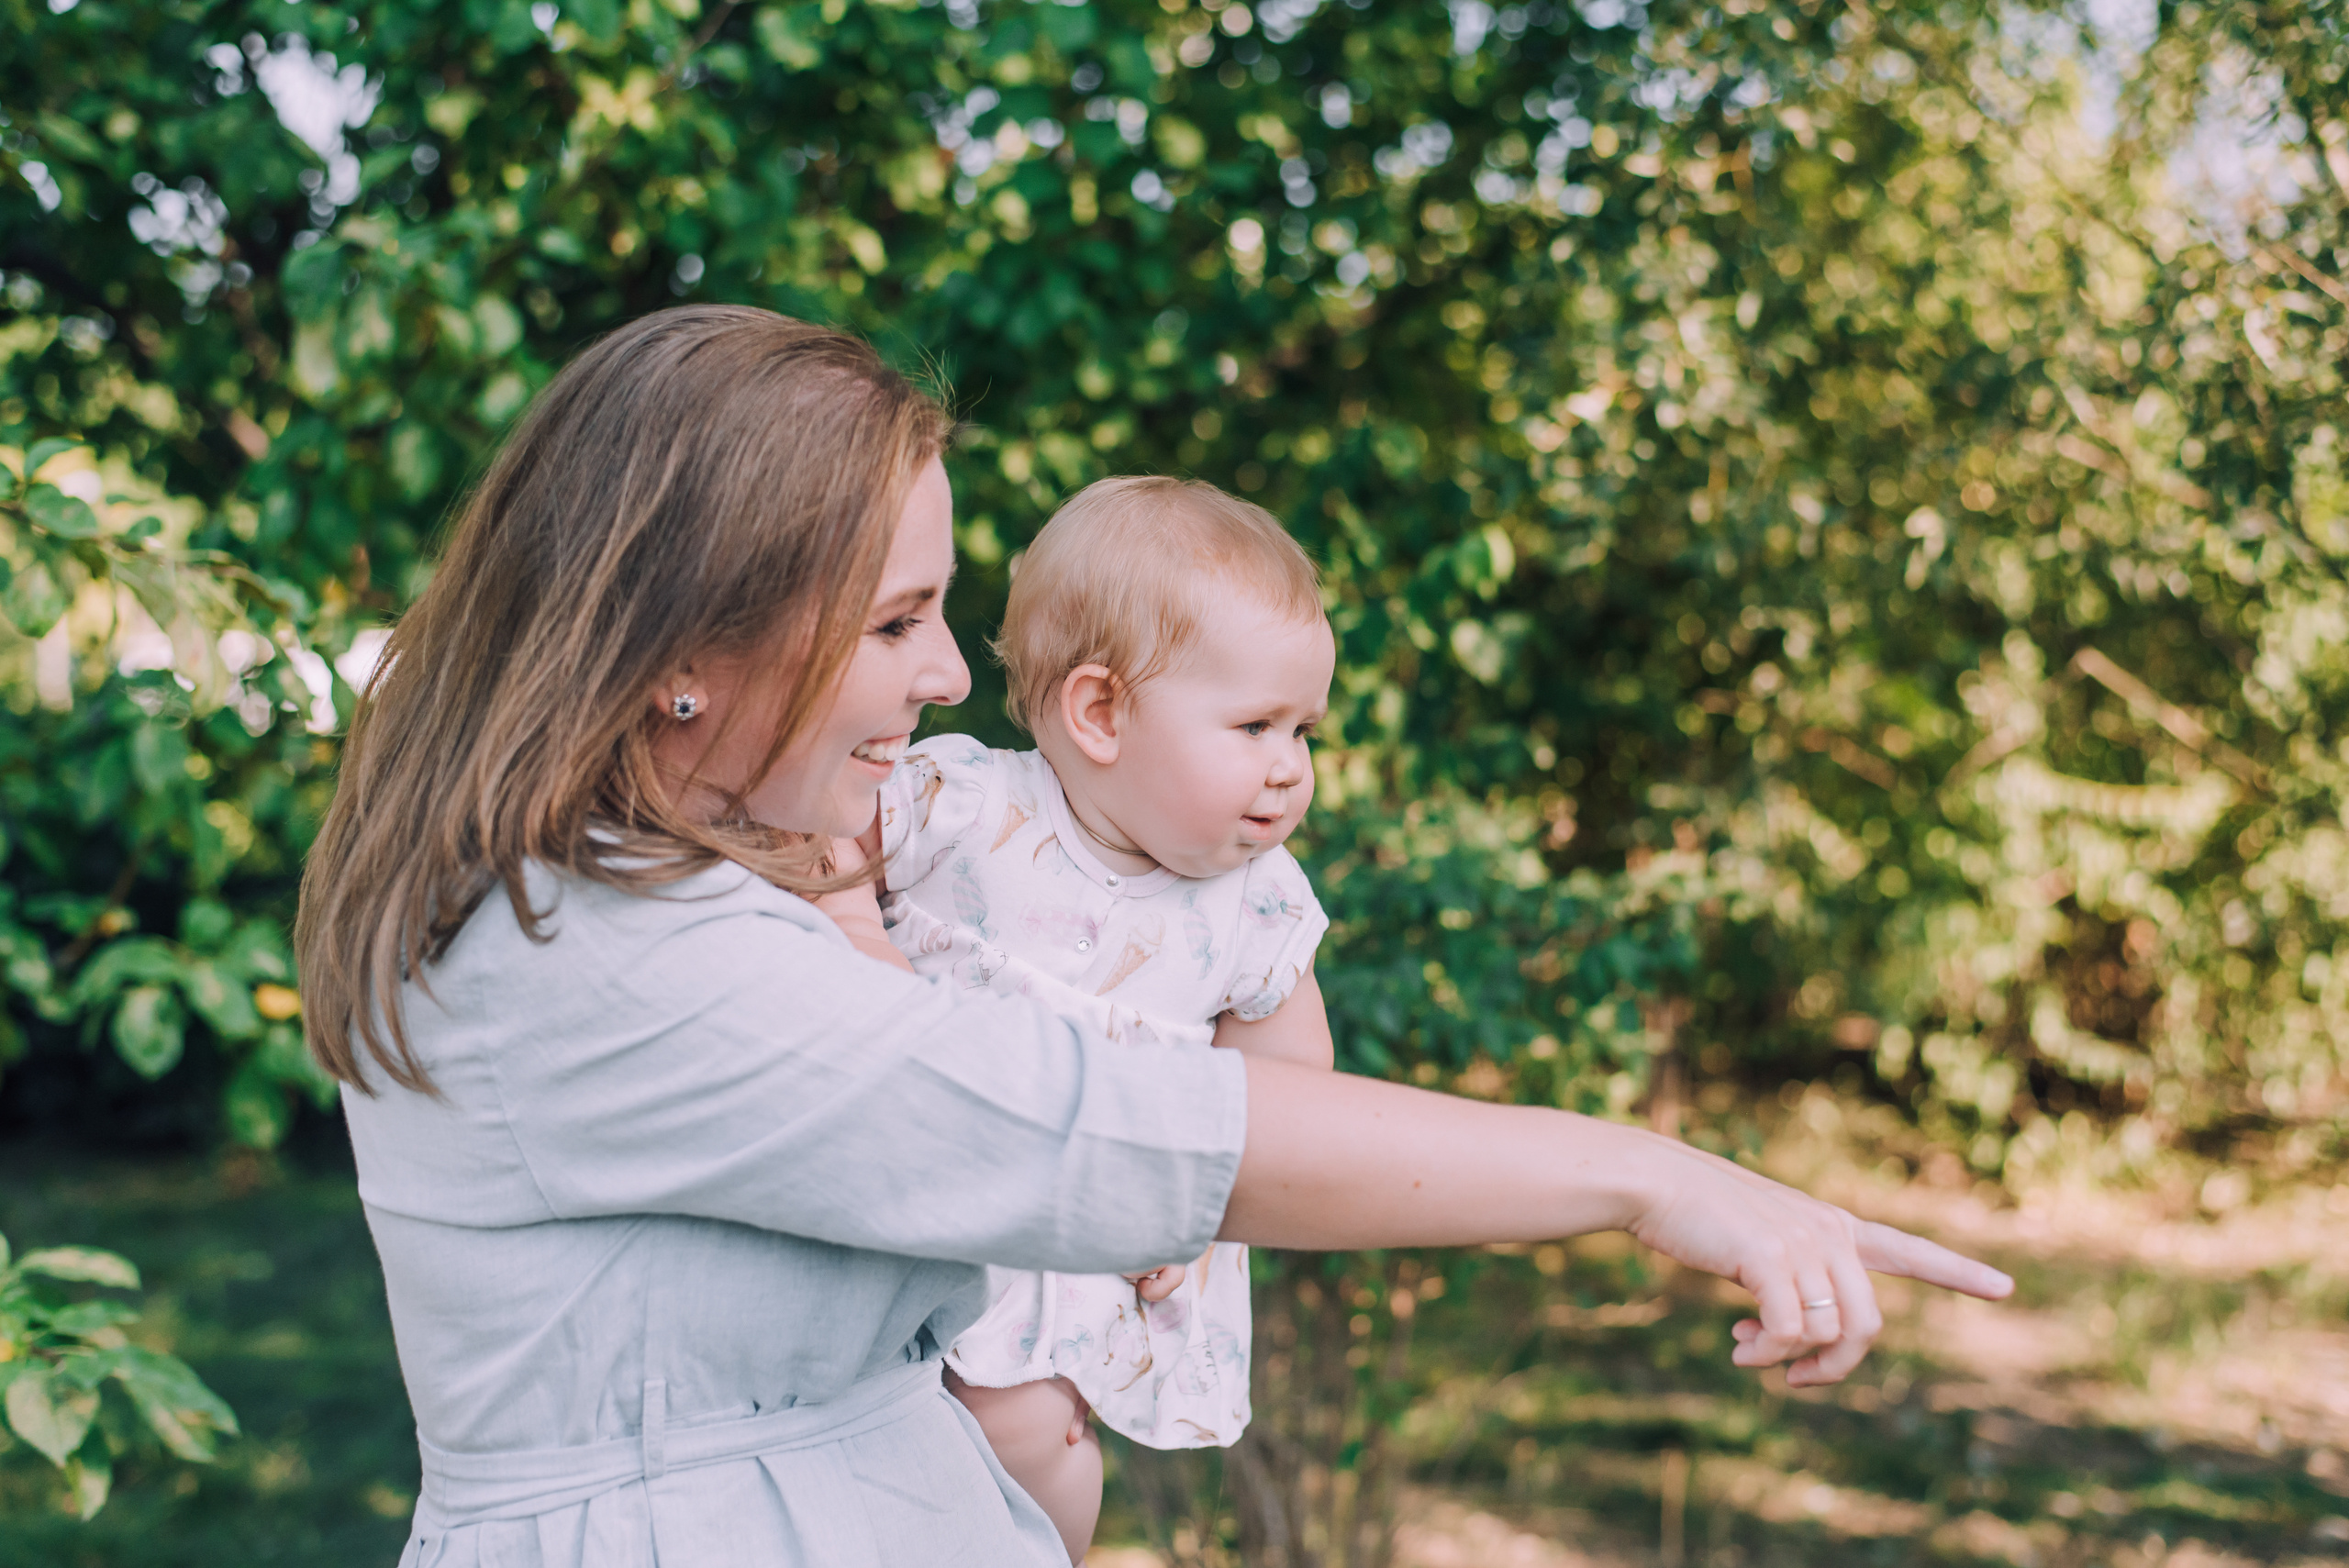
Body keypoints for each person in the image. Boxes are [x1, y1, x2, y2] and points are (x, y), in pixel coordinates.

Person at [295, 305, 2011, 1568]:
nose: (951, 675)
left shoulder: (696, 882)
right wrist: (1642, 1175)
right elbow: (1091, 1123)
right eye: (896, 621)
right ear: (686, 651)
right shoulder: (594, 948)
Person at [817, 476, 1340, 1560]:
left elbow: (1292, 1097)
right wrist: (855, 927)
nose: (1289, 767)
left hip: (1073, 1242)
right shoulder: (967, 804)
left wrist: (1202, 1216)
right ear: (1099, 713)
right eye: (1255, 725)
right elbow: (825, 834)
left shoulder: (1258, 900)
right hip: (904, 1178)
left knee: (1035, 1436)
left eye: (1303, 730)